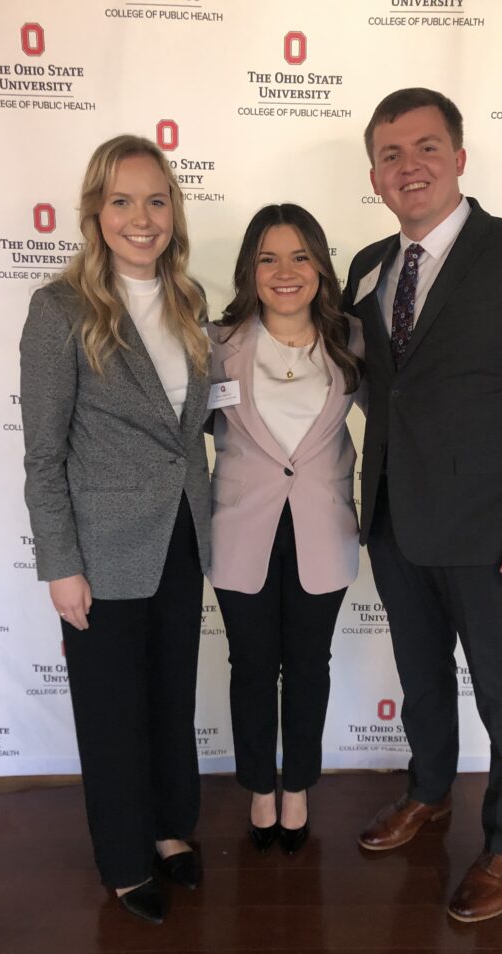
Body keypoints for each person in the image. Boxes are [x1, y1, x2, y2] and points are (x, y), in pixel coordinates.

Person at [343, 88, 502, 922]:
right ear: (374, 173)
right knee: (420, 681)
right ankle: (430, 793)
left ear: (458, 155)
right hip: (392, 519)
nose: (407, 166)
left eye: (425, 147)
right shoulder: (367, 265)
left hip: (493, 533)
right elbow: (386, 392)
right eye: (389, 154)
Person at [20, 135, 211, 924]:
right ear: (97, 212)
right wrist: (61, 565)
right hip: (99, 551)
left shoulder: (189, 303)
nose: (143, 218)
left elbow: (194, 429)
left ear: (174, 211)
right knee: (111, 709)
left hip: (183, 536)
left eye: (157, 200)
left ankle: (170, 830)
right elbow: (42, 454)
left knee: (171, 696)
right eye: (124, 201)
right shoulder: (60, 310)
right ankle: (125, 857)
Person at [208, 204, 364, 854]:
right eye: (268, 258)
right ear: (250, 269)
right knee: (249, 667)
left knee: (308, 666)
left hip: (323, 532)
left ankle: (296, 785)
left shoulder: (354, 340)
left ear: (321, 266)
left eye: (300, 255)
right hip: (240, 531)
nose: (285, 271)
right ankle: (258, 787)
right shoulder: (217, 343)